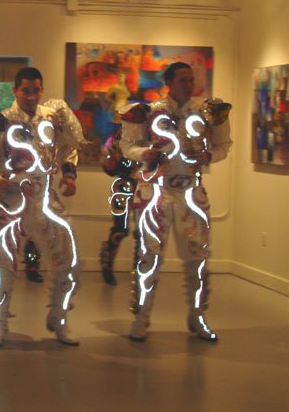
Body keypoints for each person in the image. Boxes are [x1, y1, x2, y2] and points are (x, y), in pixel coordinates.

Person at [0, 67, 86, 348]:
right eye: (26, 90)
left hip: (46, 199)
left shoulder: (53, 117)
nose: (32, 96)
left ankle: (59, 317)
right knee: (3, 266)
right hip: (10, 201)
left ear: (42, 90)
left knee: (68, 258)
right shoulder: (0, 121)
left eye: (37, 90)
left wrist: (69, 174)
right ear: (15, 91)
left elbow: (69, 148)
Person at [120, 61, 232, 342]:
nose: (188, 83)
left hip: (191, 191)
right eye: (182, 79)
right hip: (155, 191)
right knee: (149, 256)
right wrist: (144, 153)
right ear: (169, 82)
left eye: (190, 79)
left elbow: (223, 145)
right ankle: (141, 318)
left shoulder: (207, 112)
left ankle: (197, 316)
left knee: (197, 257)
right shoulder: (149, 112)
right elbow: (127, 145)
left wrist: (210, 157)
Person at [99, 130, 142, 285]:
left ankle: (140, 268)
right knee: (120, 228)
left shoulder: (150, 135)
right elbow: (109, 168)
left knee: (143, 230)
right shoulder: (117, 137)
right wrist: (111, 157)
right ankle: (107, 264)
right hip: (122, 186)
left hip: (145, 187)